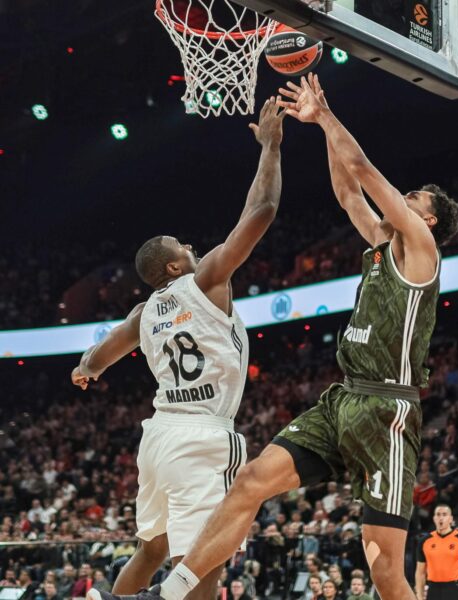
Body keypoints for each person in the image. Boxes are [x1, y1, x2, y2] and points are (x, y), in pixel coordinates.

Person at [90, 73, 458, 600]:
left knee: (382, 569)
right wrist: (316, 126)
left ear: (427, 218)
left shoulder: (422, 248)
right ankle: (170, 593)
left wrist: (325, 116)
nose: (406, 194)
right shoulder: (381, 241)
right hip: (343, 400)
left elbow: (361, 169)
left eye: (415, 196)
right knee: (251, 481)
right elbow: (346, 188)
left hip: (387, 411)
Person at [79, 98, 285, 600]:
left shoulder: (143, 313)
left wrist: (85, 369)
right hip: (201, 437)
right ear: (173, 268)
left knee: (151, 551)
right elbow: (261, 210)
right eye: (182, 247)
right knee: (204, 563)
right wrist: (271, 148)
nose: (191, 247)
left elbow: (101, 355)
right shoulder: (207, 279)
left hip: (158, 437)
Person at [415, 504, 458, 600]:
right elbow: (420, 572)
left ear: (450, 519)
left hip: (454, 588)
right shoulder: (425, 541)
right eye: (438, 514)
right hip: (433, 588)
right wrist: (419, 596)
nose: (441, 518)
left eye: (444, 514)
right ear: (434, 518)